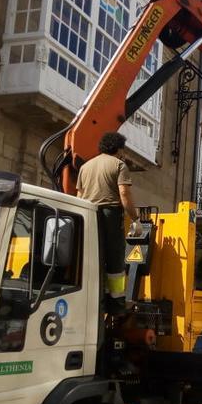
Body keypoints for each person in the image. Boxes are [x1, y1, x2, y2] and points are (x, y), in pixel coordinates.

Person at [76, 132, 139, 308]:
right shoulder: (119, 165)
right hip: (109, 213)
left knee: (94, 254)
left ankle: (96, 293)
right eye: (123, 150)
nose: (123, 153)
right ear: (118, 148)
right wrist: (135, 219)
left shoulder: (86, 166)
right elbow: (124, 194)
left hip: (87, 213)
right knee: (115, 256)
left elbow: (79, 195)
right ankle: (116, 300)